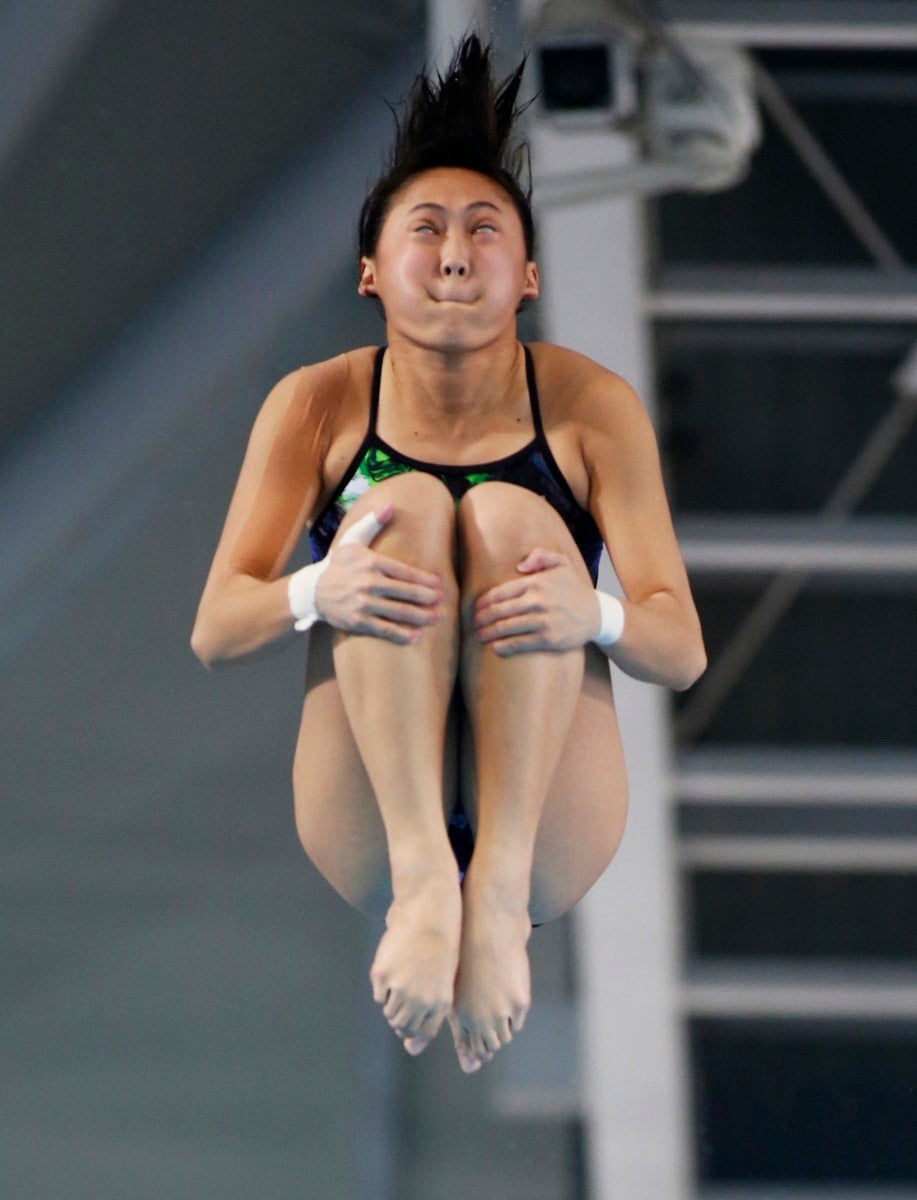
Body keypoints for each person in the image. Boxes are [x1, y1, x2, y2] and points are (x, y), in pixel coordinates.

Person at [191, 35, 706, 1075]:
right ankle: (432, 885)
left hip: (548, 820)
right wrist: (316, 587)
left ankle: (495, 893)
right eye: (426, 230)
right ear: (372, 273)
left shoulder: (587, 407)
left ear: (526, 277)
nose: (457, 252)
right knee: (405, 507)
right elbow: (218, 627)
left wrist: (594, 615)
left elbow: (678, 648)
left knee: (518, 526)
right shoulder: (318, 404)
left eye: (484, 230)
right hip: (376, 821)